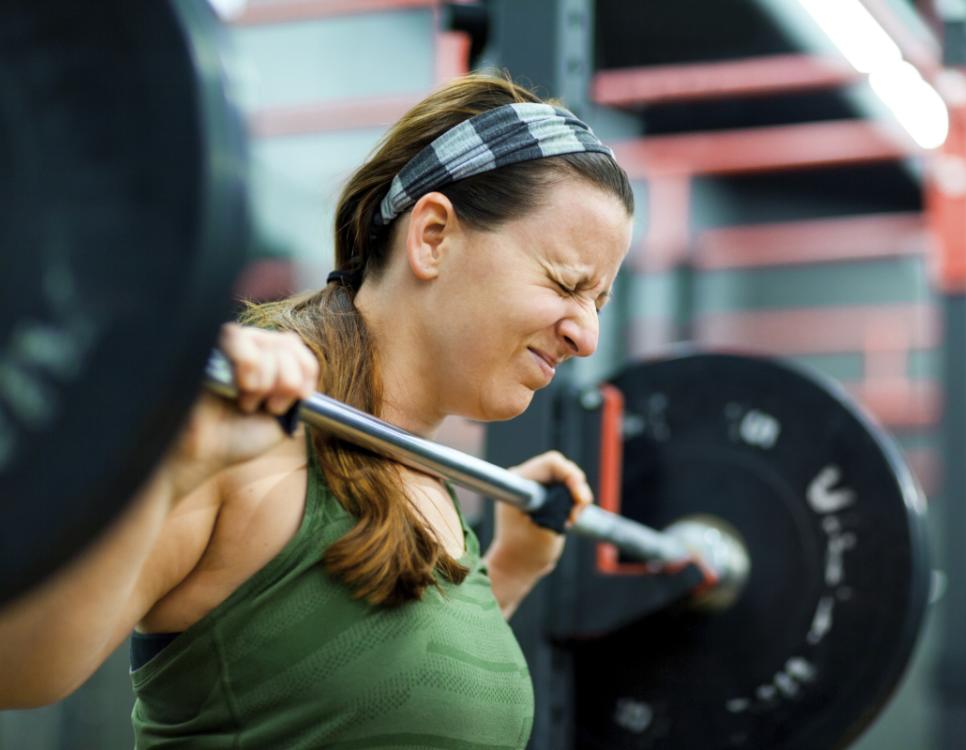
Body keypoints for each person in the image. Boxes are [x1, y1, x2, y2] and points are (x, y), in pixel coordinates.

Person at [0, 73, 633, 748]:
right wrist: (179, 467)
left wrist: (509, 568)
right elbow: (17, 671)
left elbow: (387, 704)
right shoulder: (249, 434)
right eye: (567, 285)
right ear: (434, 237)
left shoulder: (430, 487)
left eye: (597, 305)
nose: (585, 336)